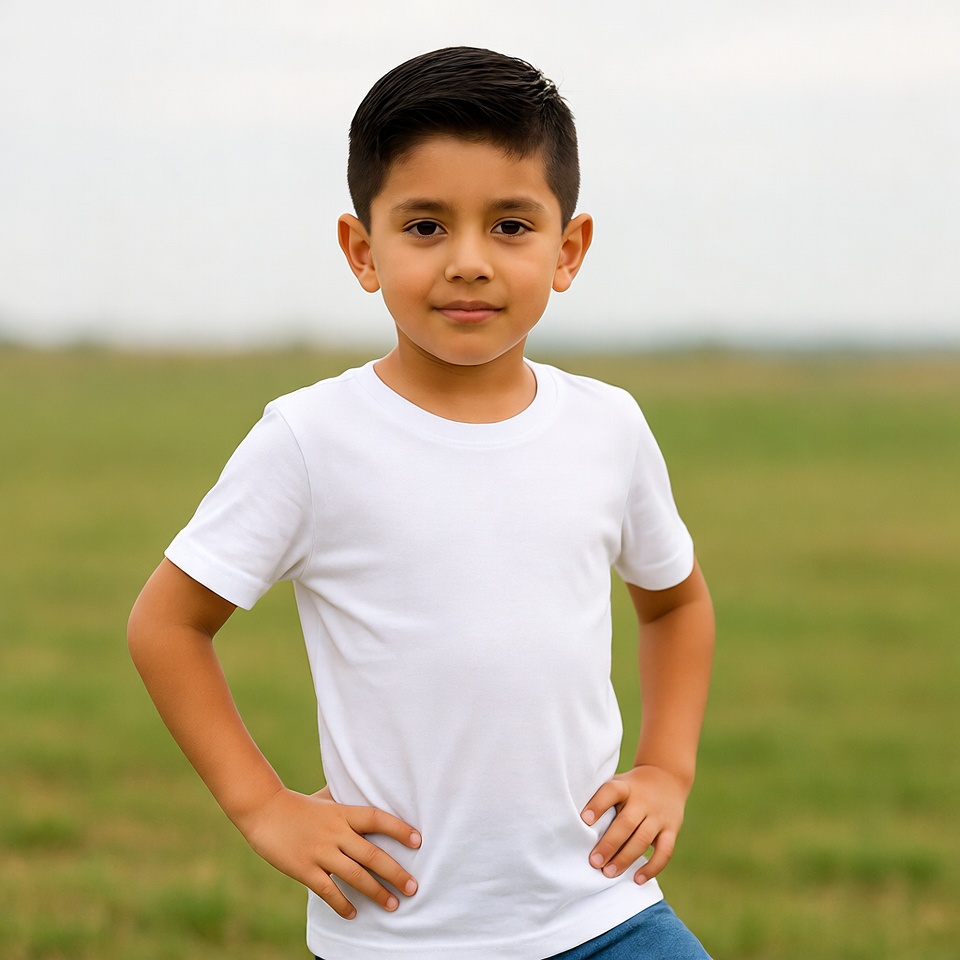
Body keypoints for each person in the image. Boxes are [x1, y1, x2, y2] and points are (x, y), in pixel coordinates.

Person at [127, 46, 715, 960]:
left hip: (604, 913)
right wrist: (264, 806)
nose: (470, 262)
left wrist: (669, 769)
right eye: (427, 227)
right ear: (364, 250)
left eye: (512, 226)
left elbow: (675, 601)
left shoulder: (608, 426)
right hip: (400, 935)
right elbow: (166, 625)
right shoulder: (310, 440)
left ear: (570, 250)